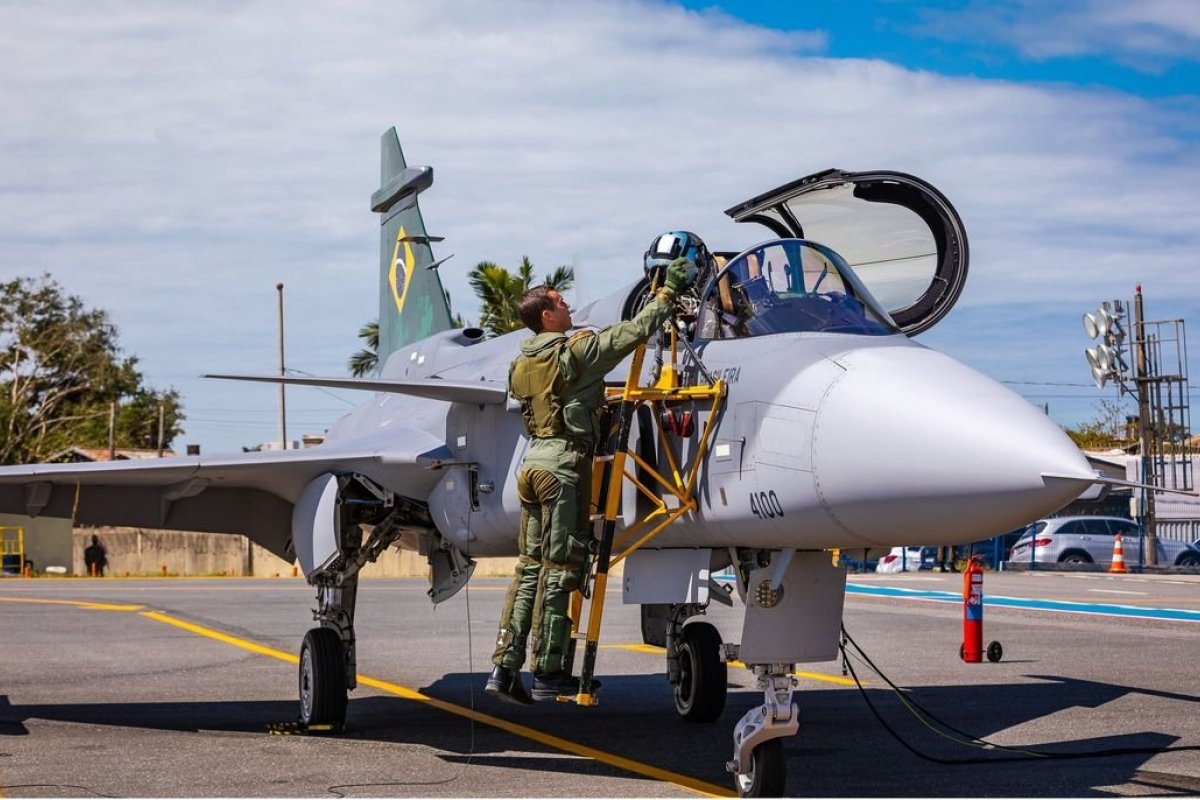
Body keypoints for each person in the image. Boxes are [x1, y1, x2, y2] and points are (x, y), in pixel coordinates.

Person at [485, 235, 702, 704]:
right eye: (562, 305)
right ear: (546, 315)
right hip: (564, 467)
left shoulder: (520, 363)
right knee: (563, 568)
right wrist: (666, 295)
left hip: (532, 465)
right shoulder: (574, 352)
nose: (569, 310)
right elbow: (632, 334)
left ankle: (504, 667)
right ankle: (548, 672)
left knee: (529, 569)